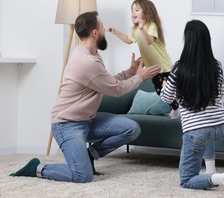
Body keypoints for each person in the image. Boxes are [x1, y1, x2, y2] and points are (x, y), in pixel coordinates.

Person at [9, 11, 161, 183]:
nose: (105, 30)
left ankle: (90, 155)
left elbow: (108, 82)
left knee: (131, 128)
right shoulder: (86, 61)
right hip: (67, 125)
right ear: (95, 33)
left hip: (88, 121)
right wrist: (140, 76)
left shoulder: (91, 55)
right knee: (82, 175)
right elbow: (116, 90)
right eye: (102, 27)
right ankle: (37, 168)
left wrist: (130, 72)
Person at [160, 20, 224, 194]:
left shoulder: (179, 67)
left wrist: (167, 85)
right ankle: (210, 169)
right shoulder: (217, 65)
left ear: (187, 40)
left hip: (198, 131)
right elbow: (219, 94)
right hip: (222, 126)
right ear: (207, 40)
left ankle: (221, 178)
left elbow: (166, 97)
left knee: (186, 180)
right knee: (206, 130)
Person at [108, 0, 179, 117]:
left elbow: (149, 41)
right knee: (159, 92)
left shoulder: (151, 26)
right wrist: (116, 32)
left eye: (136, 10)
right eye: (132, 10)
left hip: (163, 65)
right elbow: (129, 40)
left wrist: (142, 28)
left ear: (146, 13)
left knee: (167, 90)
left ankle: (178, 107)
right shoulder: (134, 29)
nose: (133, 13)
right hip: (152, 68)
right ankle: (176, 106)